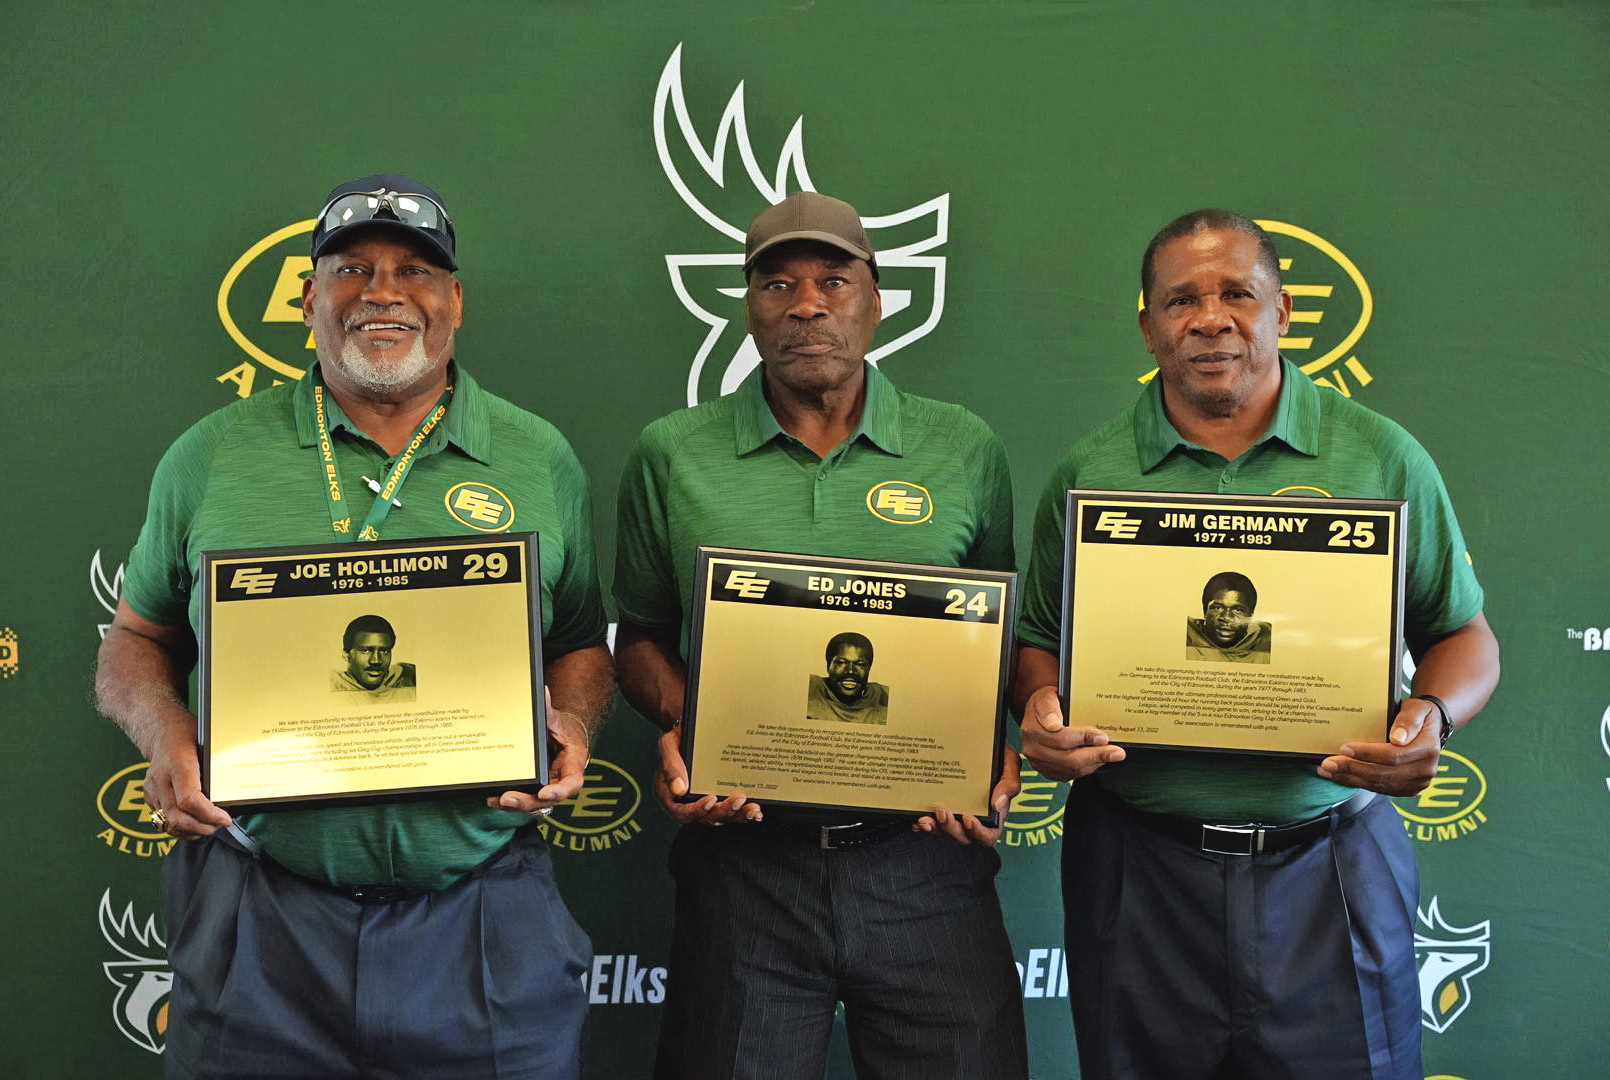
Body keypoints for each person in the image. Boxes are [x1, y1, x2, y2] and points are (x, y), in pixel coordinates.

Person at [94, 173, 613, 1080]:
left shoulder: (539, 458)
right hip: (260, 912)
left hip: (480, 906)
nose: (383, 292)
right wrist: (163, 728)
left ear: (453, 302)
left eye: (415, 270)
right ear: (307, 299)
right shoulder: (212, 454)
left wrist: (569, 723)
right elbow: (135, 638)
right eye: (352, 268)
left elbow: (576, 642)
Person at [1013, 209, 1501, 1080]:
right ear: (1148, 327)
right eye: (1180, 300)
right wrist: (1039, 709)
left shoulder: (1380, 457)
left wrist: (1431, 713)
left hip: (1332, 864)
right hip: (1138, 864)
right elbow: (1040, 641)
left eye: (1238, 293)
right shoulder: (1092, 474)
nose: (1210, 319)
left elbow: (1464, 634)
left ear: (1281, 312)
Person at [614, 191, 1028, 1078]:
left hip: (924, 857)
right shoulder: (672, 452)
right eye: (777, 284)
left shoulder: (960, 447)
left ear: (876, 300)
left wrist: (1003, 745)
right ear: (748, 307)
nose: (806, 304)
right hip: (746, 861)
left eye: (834, 281)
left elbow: (995, 644)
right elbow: (639, 633)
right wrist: (694, 717)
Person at [1184, 571, 1270, 663]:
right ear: (1205, 611)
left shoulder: (1265, 643)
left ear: (1250, 616)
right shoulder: (1186, 637)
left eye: (1238, 610)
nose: (1226, 617)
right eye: (1217, 608)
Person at [806, 631, 890, 724]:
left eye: (860, 664)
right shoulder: (810, 689)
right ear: (828, 665)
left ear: (869, 668)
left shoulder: (883, 697)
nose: (850, 671)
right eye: (841, 662)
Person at [334, 613, 418, 698]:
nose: (376, 660)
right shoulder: (332, 686)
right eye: (365, 651)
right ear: (346, 655)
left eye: (384, 651)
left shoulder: (409, 679)